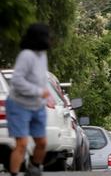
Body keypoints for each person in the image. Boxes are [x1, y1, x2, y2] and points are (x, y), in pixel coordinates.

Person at [7, 23, 51, 176]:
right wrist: (38, 92)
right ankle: (14, 173)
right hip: (19, 105)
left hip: (37, 106)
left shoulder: (42, 55)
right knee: (22, 144)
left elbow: (42, 79)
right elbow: (17, 81)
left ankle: (34, 168)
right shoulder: (26, 55)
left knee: (42, 143)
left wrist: (48, 96)